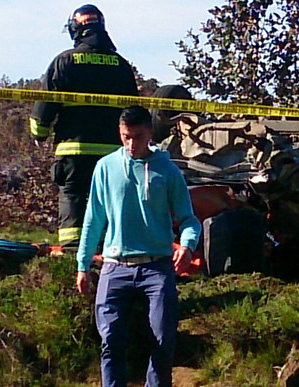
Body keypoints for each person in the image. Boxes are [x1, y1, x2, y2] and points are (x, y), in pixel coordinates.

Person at [76, 105, 201, 387]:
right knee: (111, 341)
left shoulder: (167, 171)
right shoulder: (105, 168)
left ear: (150, 134)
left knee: (163, 340)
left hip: (156, 268)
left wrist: (187, 245)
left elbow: (189, 220)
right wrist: (82, 265)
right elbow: (93, 220)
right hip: (114, 267)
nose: (132, 143)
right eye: (125, 136)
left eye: (138, 136)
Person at [29, 4, 138, 250]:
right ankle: (113, 249)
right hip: (114, 151)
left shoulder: (65, 61)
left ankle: (71, 252)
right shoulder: (120, 65)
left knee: (73, 196)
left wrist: (40, 133)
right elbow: (134, 110)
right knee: (112, 199)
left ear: (76, 29)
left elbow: (46, 104)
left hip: (74, 149)